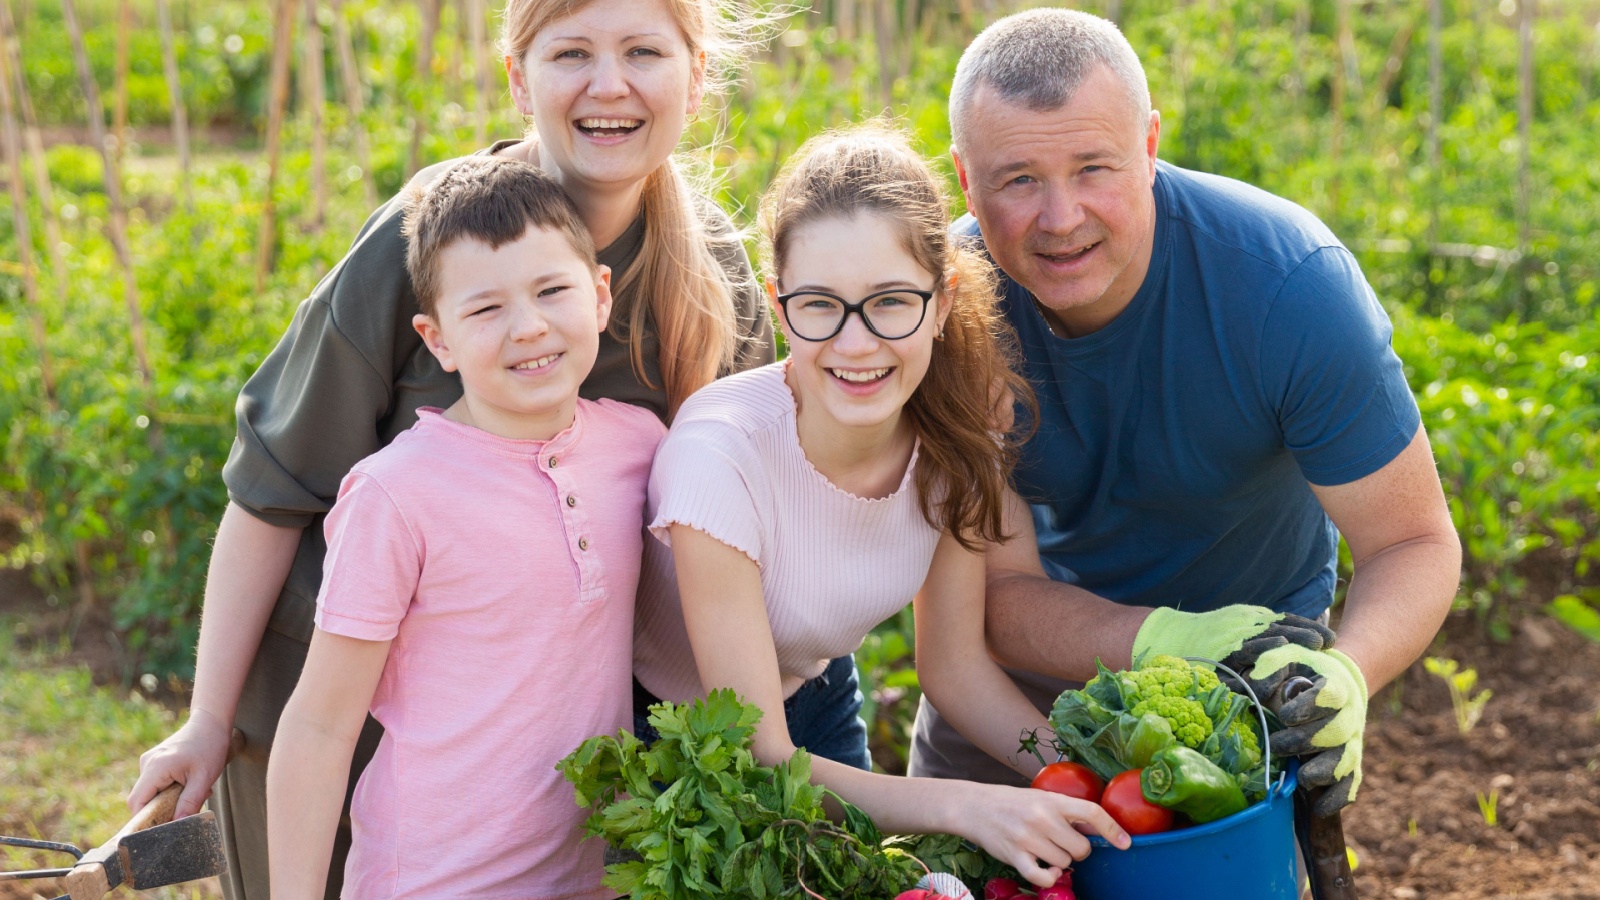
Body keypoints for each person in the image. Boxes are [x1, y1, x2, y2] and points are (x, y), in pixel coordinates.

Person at [128, 1, 775, 896]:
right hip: (330, 702)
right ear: (519, 77)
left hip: (547, 748)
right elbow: (274, 487)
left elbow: (733, 538)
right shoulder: (428, 239)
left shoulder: (716, 277)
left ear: (697, 75)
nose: (609, 84)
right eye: (572, 52)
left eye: (643, 51)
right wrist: (205, 718)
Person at [909, 8, 1462, 819]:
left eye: (1094, 167)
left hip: (1248, 686)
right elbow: (993, 597)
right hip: (1018, 697)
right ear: (965, 177)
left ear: (1151, 145)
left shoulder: (1288, 291)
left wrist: (1346, 673)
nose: (1060, 219)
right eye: (1018, 179)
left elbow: (1412, 542)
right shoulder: (953, 320)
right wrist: (1169, 640)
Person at [632, 124, 1130, 890]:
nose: (856, 344)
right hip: (672, 741)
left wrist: (1085, 777)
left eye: (891, 302)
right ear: (777, 302)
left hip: (819, 704)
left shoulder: (956, 441)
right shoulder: (720, 456)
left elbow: (956, 669)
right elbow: (759, 756)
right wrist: (968, 806)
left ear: (942, 301)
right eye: (820, 306)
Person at [267, 156, 661, 899]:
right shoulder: (397, 494)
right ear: (437, 338)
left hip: (591, 879)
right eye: (485, 310)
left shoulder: (641, 446)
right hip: (431, 881)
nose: (529, 326)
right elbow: (321, 726)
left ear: (600, 295)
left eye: (553, 290)